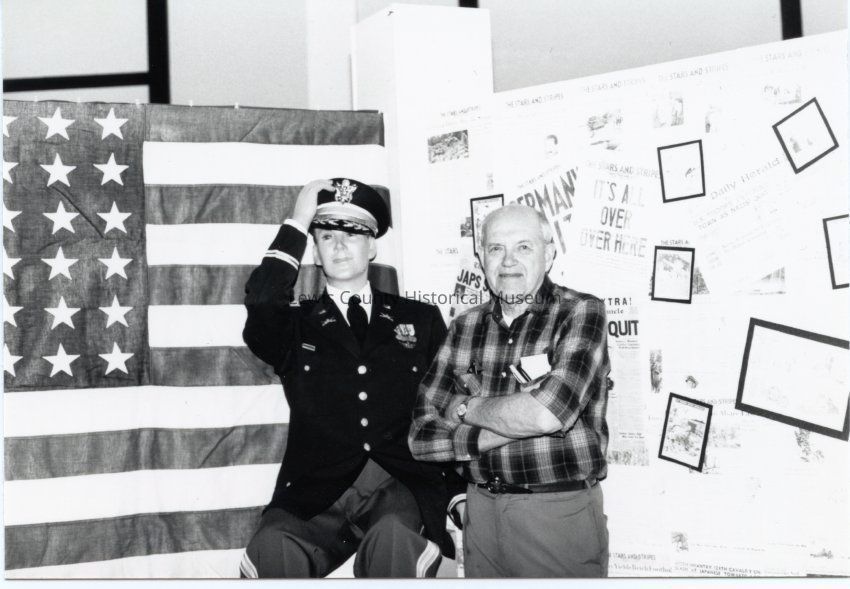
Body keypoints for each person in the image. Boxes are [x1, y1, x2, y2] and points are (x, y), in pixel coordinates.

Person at [240, 178, 460, 578]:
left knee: (395, 540)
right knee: (272, 546)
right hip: (317, 489)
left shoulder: (420, 319)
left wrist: (459, 494)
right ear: (315, 251)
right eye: (326, 236)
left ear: (372, 246)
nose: (339, 245)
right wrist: (298, 220)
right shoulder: (296, 325)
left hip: (398, 484)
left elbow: (447, 407)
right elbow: (262, 299)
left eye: (352, 234)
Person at [409, 204, 611, 577]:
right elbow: (420, 436)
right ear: (481, 258)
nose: (508, 261)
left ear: (549, 253)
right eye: (496, 248)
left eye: (523, 247)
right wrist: (515, 418)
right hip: (479, 512)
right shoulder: (464, 326)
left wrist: (465, 408)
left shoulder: (581, 312)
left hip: (556, 514)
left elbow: (546, 415)